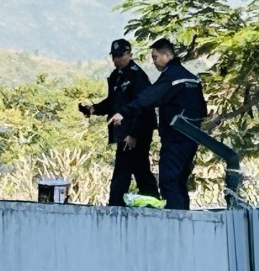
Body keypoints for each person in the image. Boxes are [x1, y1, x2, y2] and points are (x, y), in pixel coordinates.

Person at [107, 38, 206, 210]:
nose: (153, 62)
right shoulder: (192, 79)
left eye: (155, 57)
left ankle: (174, 222)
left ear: (166, 55)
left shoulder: (171, 77)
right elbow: (202, 110)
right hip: (192, 138)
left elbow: (148, 97)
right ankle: (184, 219)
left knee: (169, 181)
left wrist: (124, 112)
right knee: (180, 181)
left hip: (175, 139)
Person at [79, 38, 159, 206]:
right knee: (140, 170)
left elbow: (144, 107)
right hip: (123, 133)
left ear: (129, 55)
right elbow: (113, 102)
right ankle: (153, 204)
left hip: (136, 133)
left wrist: (134, 134)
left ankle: (115, 207)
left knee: (123, 173)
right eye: (114, 56)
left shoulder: (137, 76)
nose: (116, 60)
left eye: (120, 56)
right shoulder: (116, 76)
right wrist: (93, 109)